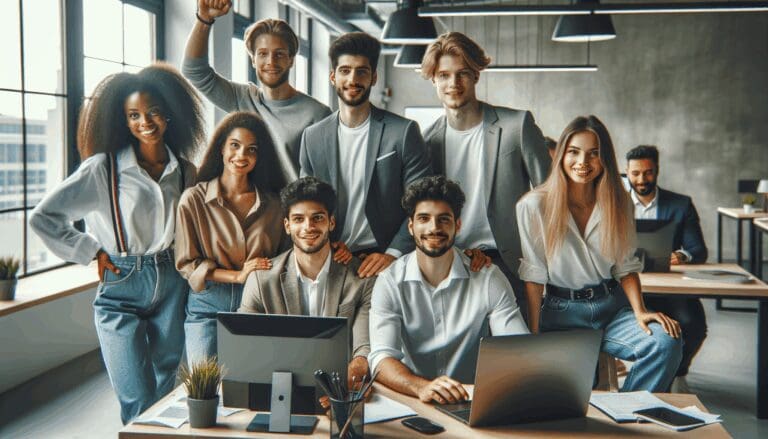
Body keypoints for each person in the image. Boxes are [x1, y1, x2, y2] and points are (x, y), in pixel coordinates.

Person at [29, 64, 205, 424]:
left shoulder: (186, 170)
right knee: (135, 394)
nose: (145, 122)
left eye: (153, 111)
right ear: (122, 121)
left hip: (172, 279)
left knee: (164, 386)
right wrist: (90, 251)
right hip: (121, 283)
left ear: (170, 113)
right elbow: (43, 218)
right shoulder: (102, 169)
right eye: (134, 115)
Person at [516, 116, 682, 392]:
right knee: (575, 389)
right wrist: (533, 335)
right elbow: (534, 277)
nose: (583, 162)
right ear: (561, 156)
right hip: (561, 314)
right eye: (574, 152)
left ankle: (631, 414)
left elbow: (625, 267)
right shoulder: (533, 206)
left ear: (605, 159)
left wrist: (640, 311)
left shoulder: (619, 202)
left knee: (665, 343)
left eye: (594, 153)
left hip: (611, 308)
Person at [420, 32, 551, 320]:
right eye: (444, 75)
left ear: (476, 75)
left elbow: (550, 199)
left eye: (462, 73)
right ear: (433, 79)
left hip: (511, 263)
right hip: (451, 261)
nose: (453, 84)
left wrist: (542, 265)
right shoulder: (426, 142)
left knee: (514, 355)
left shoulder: (518, 126)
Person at [369, 176, 528, 404]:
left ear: (458, 225)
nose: (434, 228)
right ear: (411, 227)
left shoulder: (488, 278)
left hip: (473, 401)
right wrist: (422, 387)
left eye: (444, 220)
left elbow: (517, 351)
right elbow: (381, 359)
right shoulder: (389, 281)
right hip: (413, 401)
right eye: (424, 219)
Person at [300, 32, 432, 278]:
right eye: (345, 70)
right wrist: (324, 243)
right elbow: (305, 203)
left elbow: (421, 203)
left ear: (373, 77)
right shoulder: (312, 137)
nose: (353, 79)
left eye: (362, 71)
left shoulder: (403, 132)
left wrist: (392, 253)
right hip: (331, 257)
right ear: (333, 76)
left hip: (385, 259)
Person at [239, 176, 374, 384]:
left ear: (331, 222)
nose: (308, 227)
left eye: (317, 218)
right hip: (281, 384)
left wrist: (348, 381)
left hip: (341, 387)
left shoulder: (361, 278)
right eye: (298, 219)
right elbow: (244, 344)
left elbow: (363, 349)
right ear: (287, 225)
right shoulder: (260, 279)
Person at [175, 111, 286, 365]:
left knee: (254, 388)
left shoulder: (275, 204)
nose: (241, 156)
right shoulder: (193, 199)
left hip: (260, 303)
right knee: (204, 388)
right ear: (221, 150)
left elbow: (285, 257)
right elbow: (186, 265)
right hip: (207, 304)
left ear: (259, 157)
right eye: (234, 146)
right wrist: (237, 275)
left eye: (251, 150)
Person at [184, 0, 331, 183]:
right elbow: (194, 71)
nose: (271, 61)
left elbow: (326, 180)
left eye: (279, 54)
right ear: (253, 60)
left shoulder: (318, 114)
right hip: (249, 208)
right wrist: (204, 19)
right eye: (262, 53)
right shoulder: (243, 99)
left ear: (291, 59)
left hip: (292, 209)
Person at [626, 144, 708, 391]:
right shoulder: (614, 204)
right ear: (627, 172)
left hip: (670, 289)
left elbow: (698, 250)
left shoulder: (680, 204)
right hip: (628, 288)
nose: (642, 179)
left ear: (657, 171)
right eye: (636, 173)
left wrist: (681, 256)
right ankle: (654, 373)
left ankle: (678, 370)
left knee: (693, 325)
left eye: (648, 172)